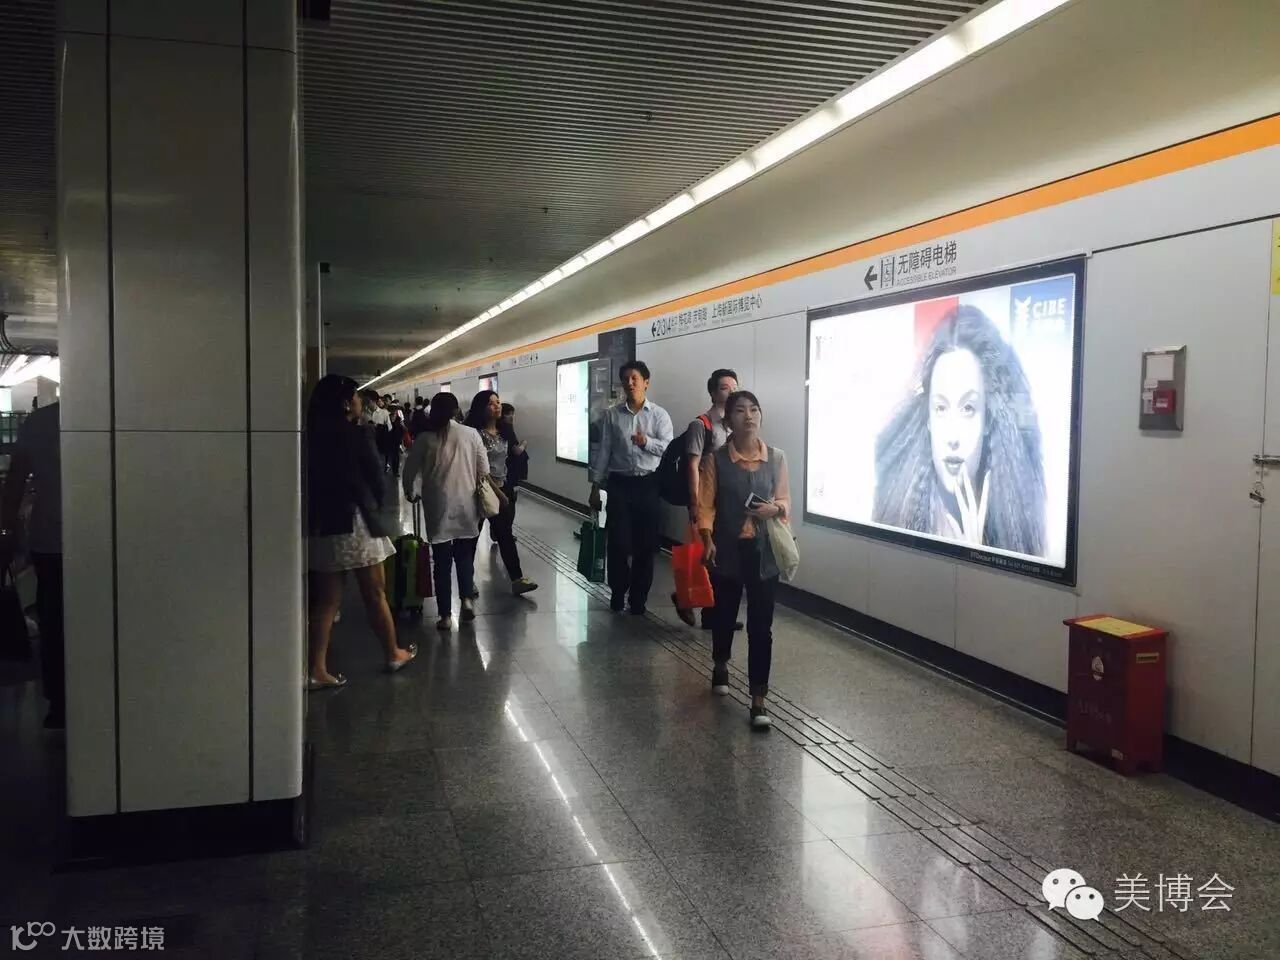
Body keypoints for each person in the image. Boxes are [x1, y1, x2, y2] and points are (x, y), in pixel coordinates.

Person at [873, 304, 1047, 556]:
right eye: (941, 408)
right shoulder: (894, 508)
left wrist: (975, 557)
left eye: (968, 408)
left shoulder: (1015, 525)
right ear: (928, 418)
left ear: (988, 419)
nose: (952, 438)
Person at [305, 375, 416, 689]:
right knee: (375, 593)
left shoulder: (310, 437)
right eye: (355, 396)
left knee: (327, 602)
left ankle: (316, 669)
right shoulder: (357, 434)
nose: (359, 402)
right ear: (345, 403)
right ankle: (393, 653)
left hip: (323, 525)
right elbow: (377, 480)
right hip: (355, 524)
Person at [699, 390, 791, 729]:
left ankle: (758, 698)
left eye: (754, 409)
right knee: (724, 615)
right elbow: (706, 504)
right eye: (740, 410)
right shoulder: (717, 460)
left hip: (764, 552)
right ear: (729, 420)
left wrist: (775, 509)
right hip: (728, 548)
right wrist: (707, 539)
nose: (748, 416)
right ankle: (720, 662)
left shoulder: (777, 458)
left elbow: (785, 501)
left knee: (761, 626)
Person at [403, 391, 503, 630]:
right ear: (457, 411)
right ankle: (466, 599)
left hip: (437, 505)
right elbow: (483, 470)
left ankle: (446, 616)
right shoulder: (471, 434)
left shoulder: (425, 439)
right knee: (464, 555)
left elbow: (409, 471)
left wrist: (410, 491)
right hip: (467, 503)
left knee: (441, 562)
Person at [588, 360, 673, 615]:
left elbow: (667, 448)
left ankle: (638, 598)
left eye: (635, 378)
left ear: (646, 382)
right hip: (620, 484)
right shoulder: (612, 415)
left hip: (648, 484)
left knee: (646, 546)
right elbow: (604, 451)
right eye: (626, 379)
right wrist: (596, 485)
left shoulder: (659, 415)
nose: (630, 382)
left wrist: (646, 442)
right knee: (618, 542)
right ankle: (617, 590)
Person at [1, 400, 64, 728]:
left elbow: (14, 484)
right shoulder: (108, 417)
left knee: (53, 621)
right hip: (99, 537)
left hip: (50, 539)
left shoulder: (38, 422)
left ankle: (59, 700)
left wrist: (7, 532)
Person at [673, 368, 739, 629]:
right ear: (712, 393)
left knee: (722, 557)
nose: (731, 392)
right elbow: (692, 466)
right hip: (706, 502)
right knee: (705, 556)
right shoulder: (701, 425)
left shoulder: (734, 426)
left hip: (727, 502)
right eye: (725, 388)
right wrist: (694, 503)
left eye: (735, 388)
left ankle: (716, 614)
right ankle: (687, 599)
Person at [463, 391, 537, 596]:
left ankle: (517, 579)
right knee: (472, 536)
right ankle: (466, 580)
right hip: (478, 490)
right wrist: (499, 493)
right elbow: (477, 467)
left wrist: (508, 487)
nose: (498, 406)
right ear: (481, 408)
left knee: (505, 535)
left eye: (498, 402)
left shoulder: (505, 430)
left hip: (502, 487)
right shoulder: (473, 434)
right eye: (492, 403)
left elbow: (512, 457)